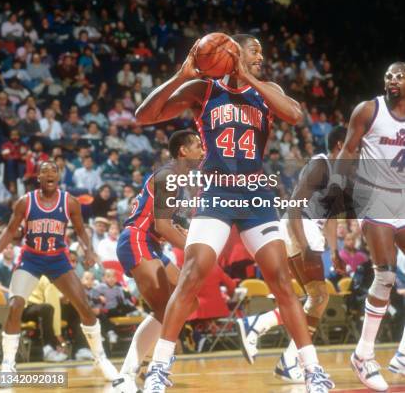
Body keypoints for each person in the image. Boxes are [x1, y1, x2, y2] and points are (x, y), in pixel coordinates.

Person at [136, 35, 334, 393]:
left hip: (256, 195)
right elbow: (144, 116)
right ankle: (159, 368)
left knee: (282, 284)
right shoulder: (203, 89)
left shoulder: (266, 89)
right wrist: (181, 76)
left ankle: (312, 370)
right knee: (192, 274)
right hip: (216, 193)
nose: (262, 56)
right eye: (254, 50)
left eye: (262, 50)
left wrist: (250, 76)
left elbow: (295, 114)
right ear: (231, 52)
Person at [236, 125, 347, 384]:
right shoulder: (320, 165)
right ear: (341, 145)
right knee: (318, 296)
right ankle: (260, 326)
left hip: (311, 230)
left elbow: (331, 219)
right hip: (301, 227)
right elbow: (295, 203)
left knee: (317, 298)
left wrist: (335, 251)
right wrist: (304, 242)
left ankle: (288, 359)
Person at [0, 161, 117, 382]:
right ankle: (8, 365)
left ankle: (101, 358)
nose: (49, 173)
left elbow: (81, 231)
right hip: (31, 258)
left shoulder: (70, 202)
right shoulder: (25, 202)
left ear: (58, 177)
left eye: (54, 171)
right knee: (15, 305)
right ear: (38, 177)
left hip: (58, 259)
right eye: (45, 171)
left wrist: (88, 251)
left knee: (85, 308)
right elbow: (10, 231)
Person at [331, 62, 405, 390]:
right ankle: (363, 354)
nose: (392, 80)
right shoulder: (369, 111)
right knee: (386, 274)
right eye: (389, 75)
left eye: (400, 76)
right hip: (373, 197)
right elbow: (347, 153)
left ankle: (402, 354)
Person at [113, 130, 204, 393]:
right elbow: (162, 227)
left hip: (151, 243)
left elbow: (162, 221)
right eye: (197, 145)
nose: (202, 149)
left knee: (187, 301)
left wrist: (180, 229)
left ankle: (146, 366)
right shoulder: (169, 176)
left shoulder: (177, 178)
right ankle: (129, 373)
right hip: (136, 239)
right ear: (183, 151)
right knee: (166, 308)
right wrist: (192, 247)